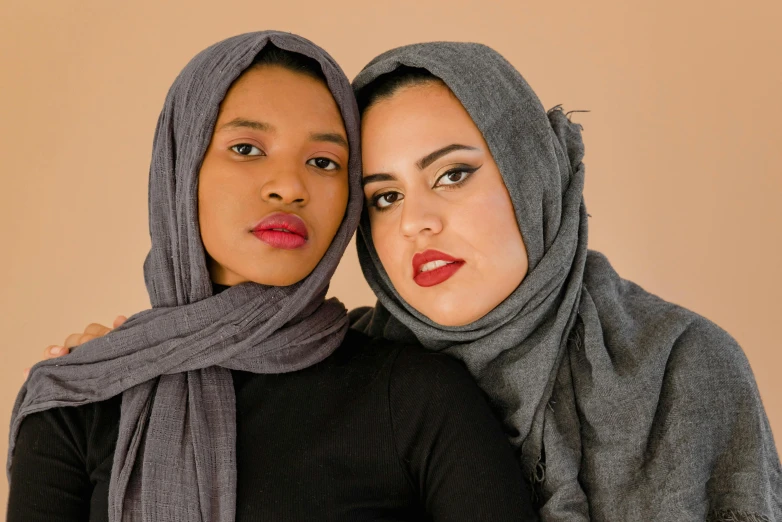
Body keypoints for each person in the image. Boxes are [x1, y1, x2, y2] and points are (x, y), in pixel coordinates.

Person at [38, 41, 782, 520]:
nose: (416, 223)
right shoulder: (351, 366)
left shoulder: (680, 367)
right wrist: (132, 358)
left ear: (532, 173)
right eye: (385, 196)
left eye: (453, 175)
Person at [7, 33, 536, 522]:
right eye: (247, 149)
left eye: (324, 161)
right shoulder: (78, 398)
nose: (289, 186)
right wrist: (121, 361)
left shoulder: (419, 396)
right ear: (180, 167)